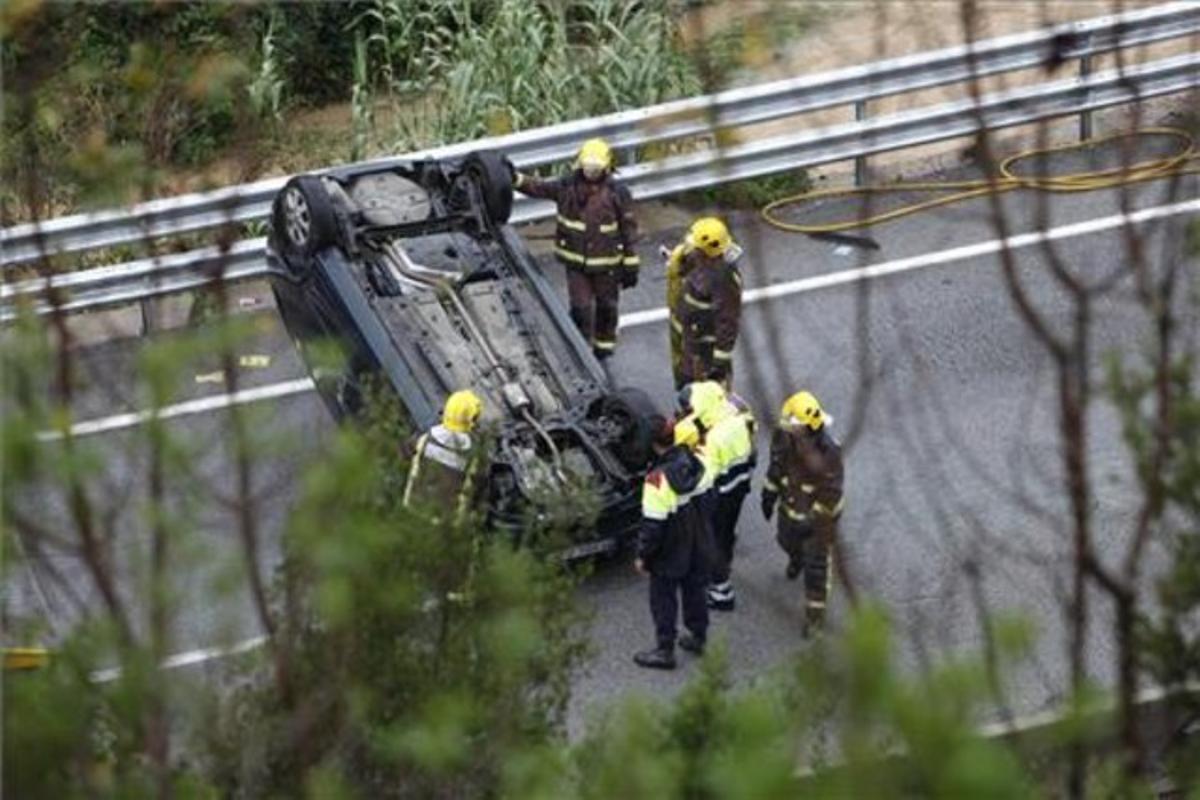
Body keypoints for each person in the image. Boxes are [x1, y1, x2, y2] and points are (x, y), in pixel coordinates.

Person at [511, 138, 640, 361]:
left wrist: (631, 262)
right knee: (580, 308)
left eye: (596, 169)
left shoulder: (617, 193)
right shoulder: (566, 187)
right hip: (576, 265)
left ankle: (604, 348)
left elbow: (628, 227)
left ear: (606, 167)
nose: (591, 173)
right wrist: (515, 179)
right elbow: (539, 187)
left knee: (607, 307)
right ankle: (579, 349)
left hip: (607, 265)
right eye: (588, 168)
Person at [633, 415, 716, 670]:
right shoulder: (698, 463)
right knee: (695, 591)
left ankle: (664, 649)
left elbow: (653, 527)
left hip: (670, 551)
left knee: (663, 599)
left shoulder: (657, 480)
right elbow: (712, 500)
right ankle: (698, 637)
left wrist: (642, 556)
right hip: (698, 542)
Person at [761, 391, 844, 637]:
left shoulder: (828, 453)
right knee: (785, 541)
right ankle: (795, 557)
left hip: (818, 521)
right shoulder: (783, 438)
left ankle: (814, 620)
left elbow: (831, 493)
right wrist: (769, 494)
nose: (787, 427)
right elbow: (776, 468)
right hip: (789, 511)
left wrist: (817, 523)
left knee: (816, 570)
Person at [677, 381, 755, 612]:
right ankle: (726, 555)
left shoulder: (712, 440)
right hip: (741, 483)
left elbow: (703, 477)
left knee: (711, 539)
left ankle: (722, 592)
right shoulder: (737, 408)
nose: (686, 414)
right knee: (727, 531)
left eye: (688, 409)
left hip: (720, 491)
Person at [667, 217, 744, 389]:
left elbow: (728, 322)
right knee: (686, 386)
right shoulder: (700, 259)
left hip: (704, 353)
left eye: (696, 248)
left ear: (708, 250)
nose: (691, 250)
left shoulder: (724, 279)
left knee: (707, 397)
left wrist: (719, 364)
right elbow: (686, 269)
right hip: (688, 343)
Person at [403, 389, 486, 518]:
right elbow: (480, 488)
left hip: (414, 510)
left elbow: (405, 453)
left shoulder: (424, 439)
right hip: (446, 525)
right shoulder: (474, 457)